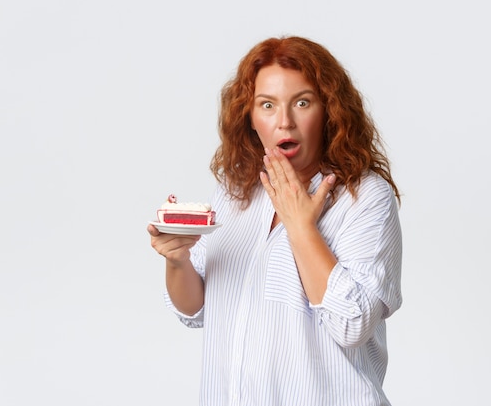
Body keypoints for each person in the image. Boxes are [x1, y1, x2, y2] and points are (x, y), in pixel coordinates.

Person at [148, 35, 402, 406]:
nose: (284, 122)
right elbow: (196, 308)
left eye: (302, 102)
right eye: (267, 105)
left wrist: (301, 227)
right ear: (250, 118)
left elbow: (352, 325)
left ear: (329, 109)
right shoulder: (236, 193)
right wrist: (177, 259)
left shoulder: (364, 198)